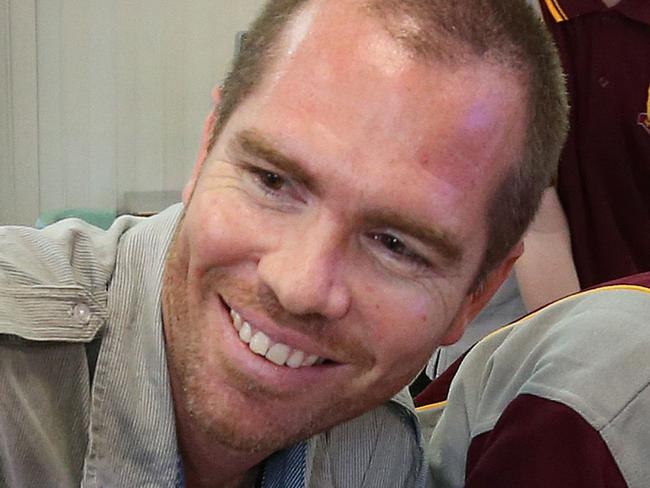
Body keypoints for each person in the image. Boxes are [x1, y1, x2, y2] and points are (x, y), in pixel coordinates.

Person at [0, 0, 568, 486]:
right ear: (206, 151)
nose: (298, 286)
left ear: (477, 295)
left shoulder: (377, 453)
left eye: (396, 245)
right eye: (273, 181)